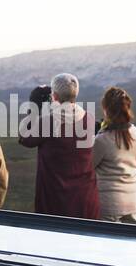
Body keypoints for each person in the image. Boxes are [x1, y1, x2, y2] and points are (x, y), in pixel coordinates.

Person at [18, 73, 99, 219]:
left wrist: (34, 107)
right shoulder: (89, 118)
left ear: (54, 96)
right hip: (85, 199)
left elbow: (25, 138)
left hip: (55, 201)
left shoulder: (48, 122)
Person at [91, 86, 136, 223]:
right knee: (132, 241)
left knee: (108, 242)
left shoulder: (102, 139)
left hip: (109, 203)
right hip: (133, 199)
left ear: (106, 109)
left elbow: (88, 165)